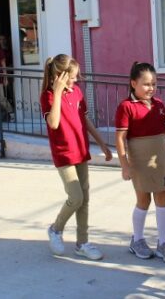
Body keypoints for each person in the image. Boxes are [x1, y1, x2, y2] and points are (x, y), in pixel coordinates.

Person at [41, 54, 113, 260]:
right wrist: (56, 93)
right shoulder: (47, 96)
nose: (76, 79)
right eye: (72, 76)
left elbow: (85, 121)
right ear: (60, 75)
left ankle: (82, 243)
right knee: (76, 197)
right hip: (64, 153)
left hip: (81, 150)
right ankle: (56, 229)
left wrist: (102, 144)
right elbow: (53, 123)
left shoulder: (77, 93)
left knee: (85, 199)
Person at [115, 62, 165, 263]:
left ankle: (163, 244)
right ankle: (137, 240)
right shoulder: (126, 107)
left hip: (160, 156)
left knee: (163, 196)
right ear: (133, 83)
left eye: (154, 84)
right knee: (143, 199)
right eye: (146, 84)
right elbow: (120, 138)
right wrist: (125, 165)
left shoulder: (159, 105)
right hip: (139, 159)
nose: (151, 88)